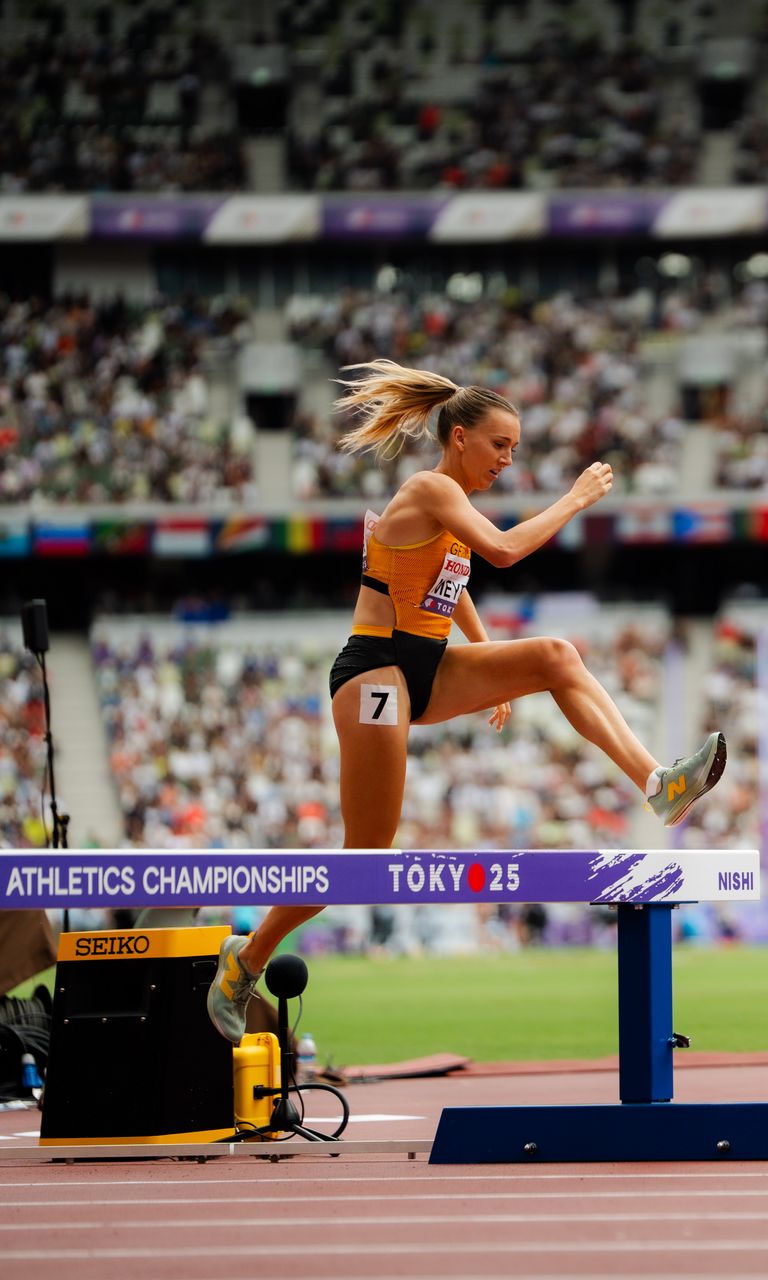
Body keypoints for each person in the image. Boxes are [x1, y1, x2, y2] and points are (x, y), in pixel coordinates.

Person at [207, 360, 726, 1042]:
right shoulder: (429, 488)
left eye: (515, 448)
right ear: (459, 438)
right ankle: (246, 959)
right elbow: (504, 552)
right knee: (364, 856)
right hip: (377, 671)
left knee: (554, 657)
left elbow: (454, 586)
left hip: (430, 665)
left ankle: (658, 784)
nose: (508, 459)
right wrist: (575, 498)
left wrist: (489, 664)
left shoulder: (450, 510)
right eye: (499, 445)